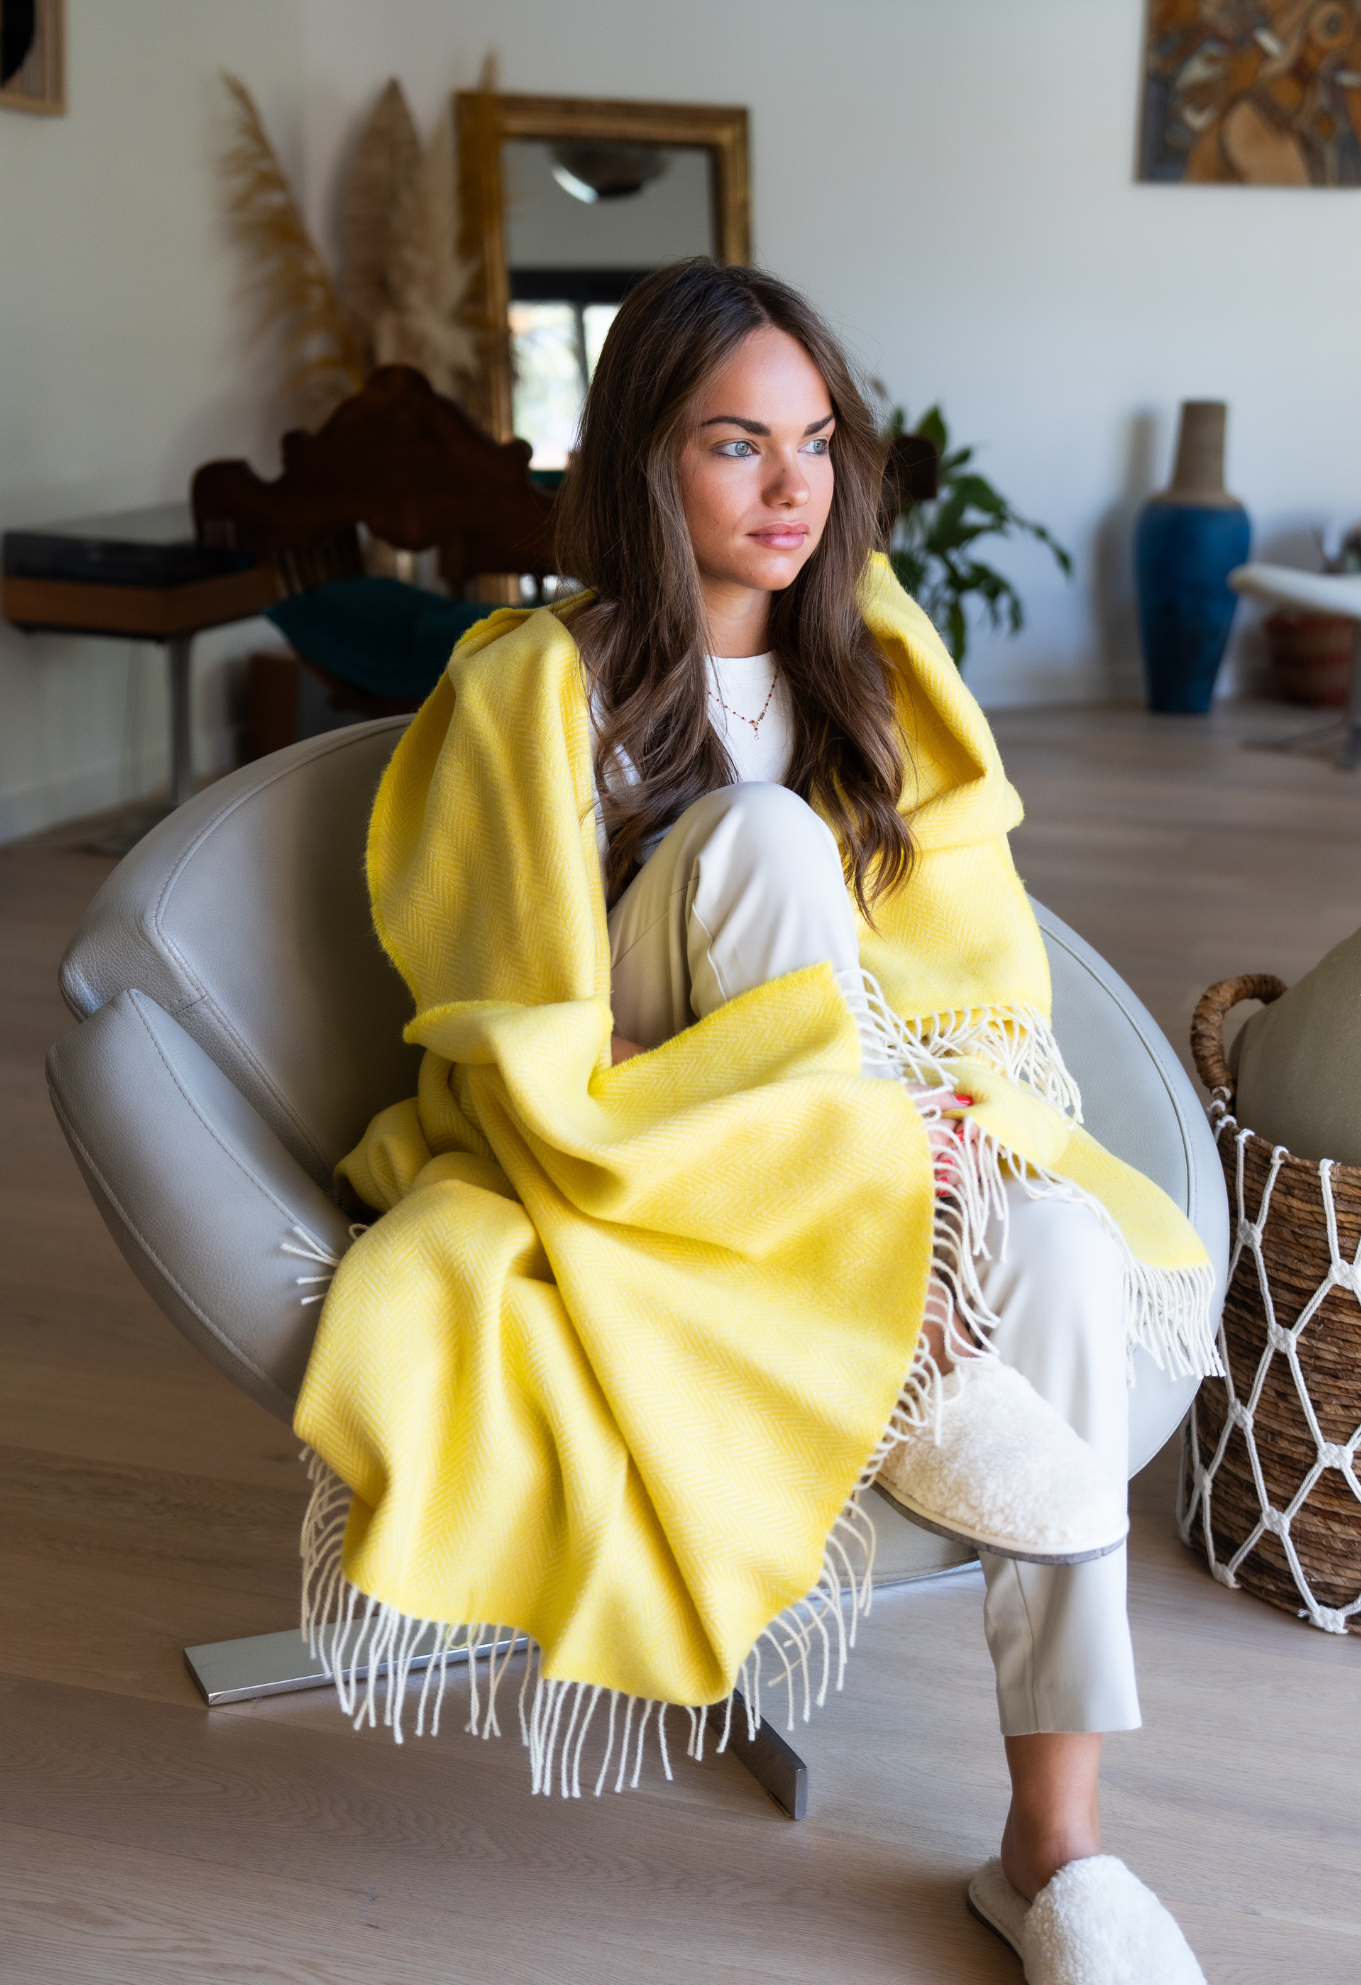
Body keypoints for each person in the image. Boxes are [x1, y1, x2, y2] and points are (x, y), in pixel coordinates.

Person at [296, 258, 1212, 1982]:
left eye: (813, 444)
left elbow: (956, 956)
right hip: (657, 1115)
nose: (793, 490)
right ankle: (920, 1361)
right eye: (737, 446)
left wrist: (942, 1115)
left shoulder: (869, 660)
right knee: (767, 844)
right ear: (649, 462)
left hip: (853, 1127)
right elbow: (523, 1000)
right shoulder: (535, 681)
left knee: (1079, 1260)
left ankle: (1054, 1848)